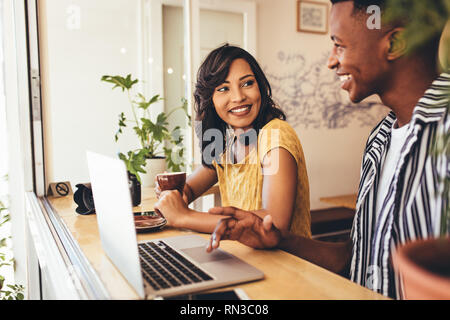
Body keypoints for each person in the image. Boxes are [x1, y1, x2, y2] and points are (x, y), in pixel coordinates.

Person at [205, 0, 449, 300]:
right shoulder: (380, 140)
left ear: (395, 43)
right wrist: (278, 239)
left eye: (339, 45)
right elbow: (354, 260)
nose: (331, 61)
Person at [154, 44, 311, 238]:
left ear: (260, 87)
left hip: (287, 265)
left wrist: (184, 217)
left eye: (247, 83)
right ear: (210, 99)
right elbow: (190, 188)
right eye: (223, 88)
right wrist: (177, 196)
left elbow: (275, 221)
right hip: (243, 258)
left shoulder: (274, 135)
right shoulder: (225, 146)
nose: (238, 97)